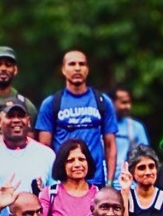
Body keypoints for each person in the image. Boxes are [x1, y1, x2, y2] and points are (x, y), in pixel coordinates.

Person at [36, 49, 118, 186]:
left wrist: (109, 182)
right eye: (72, 64)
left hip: (95, 180)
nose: (77, 68)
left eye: (82, 64)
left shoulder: (102, 101)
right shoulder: (51, 104)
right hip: (63, 182)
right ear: (63, 69)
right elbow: (44, 148)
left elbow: (110, 145)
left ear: (87, 69)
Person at [0, 97, 55, 195]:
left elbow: (55, 195)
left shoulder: (46, 154)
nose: (16, 120)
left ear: (28, 121)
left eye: (21, 116)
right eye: (10, 116)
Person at [39, 138, 99, 216]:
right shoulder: (49, 194)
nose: (77, 165)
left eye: (81, 159)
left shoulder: (99, 194)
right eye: (70, 160)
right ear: (62, 164)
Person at [111, 85, 150, 183]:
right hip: (106, 182)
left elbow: (146, 156)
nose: (127, 107)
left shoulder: (136, 127)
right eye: (123, 103)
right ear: (112, 103)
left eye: (129, 103)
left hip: (131, 183)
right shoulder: (100, 127)